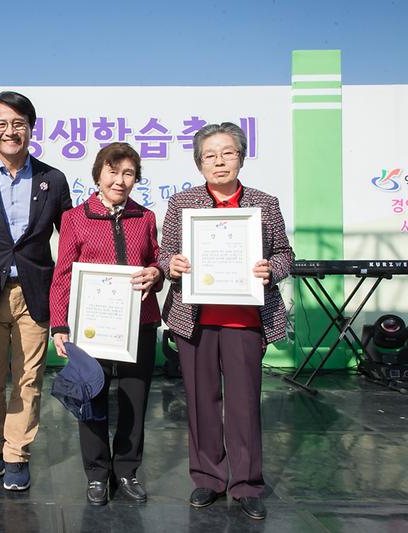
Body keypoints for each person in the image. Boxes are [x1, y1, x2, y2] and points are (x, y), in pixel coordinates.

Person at [158, 122, 294, 520]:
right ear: (199, 163)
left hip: (246, 321)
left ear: (241, 157)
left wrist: (273, 267)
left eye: (227, 153)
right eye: (210, 155)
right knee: (200, 402)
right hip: (195, 321)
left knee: (245, 405)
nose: (219, 162)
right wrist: (174, 265)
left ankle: (247, 484)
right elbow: (164, 254)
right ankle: (207, 478)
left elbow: (286, 253)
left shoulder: (263, 203)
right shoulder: (182, 203)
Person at [0, 91, 72, 491]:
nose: (10, 131)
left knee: (28, 379)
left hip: (35, 291)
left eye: (18, 124)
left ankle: (17, 453)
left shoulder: (52, 180)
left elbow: (71, 240)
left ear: (30, 129)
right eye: (2, 124)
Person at [48, 142, 163, 506]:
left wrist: (156, 273)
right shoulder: (74, 218)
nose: (120, 180)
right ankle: (97, 474)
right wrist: (59, 324)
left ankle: (127, 470)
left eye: (128, 173)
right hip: (90, 328)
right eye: (113, 171)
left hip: (138, 326)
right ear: (98, 174)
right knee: (91, 398)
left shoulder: (144, 218)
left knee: (135, 400)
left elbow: (157, 260)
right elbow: (63, 275)